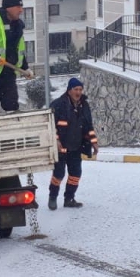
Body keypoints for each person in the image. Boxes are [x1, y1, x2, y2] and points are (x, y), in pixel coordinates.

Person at [48, 77, 97, 210]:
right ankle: (52, 197)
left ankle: (69, 198)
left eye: (80, 89)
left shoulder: (84, 105)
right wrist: (56, 140)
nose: (79, 92)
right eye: (76, 89)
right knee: (58, 174)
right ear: (69, 90)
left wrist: (94, 142)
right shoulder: (58, 105)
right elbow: (51, 126)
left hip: (76, 147)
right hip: (61, 148)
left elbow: (88, 126)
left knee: (75, 174)